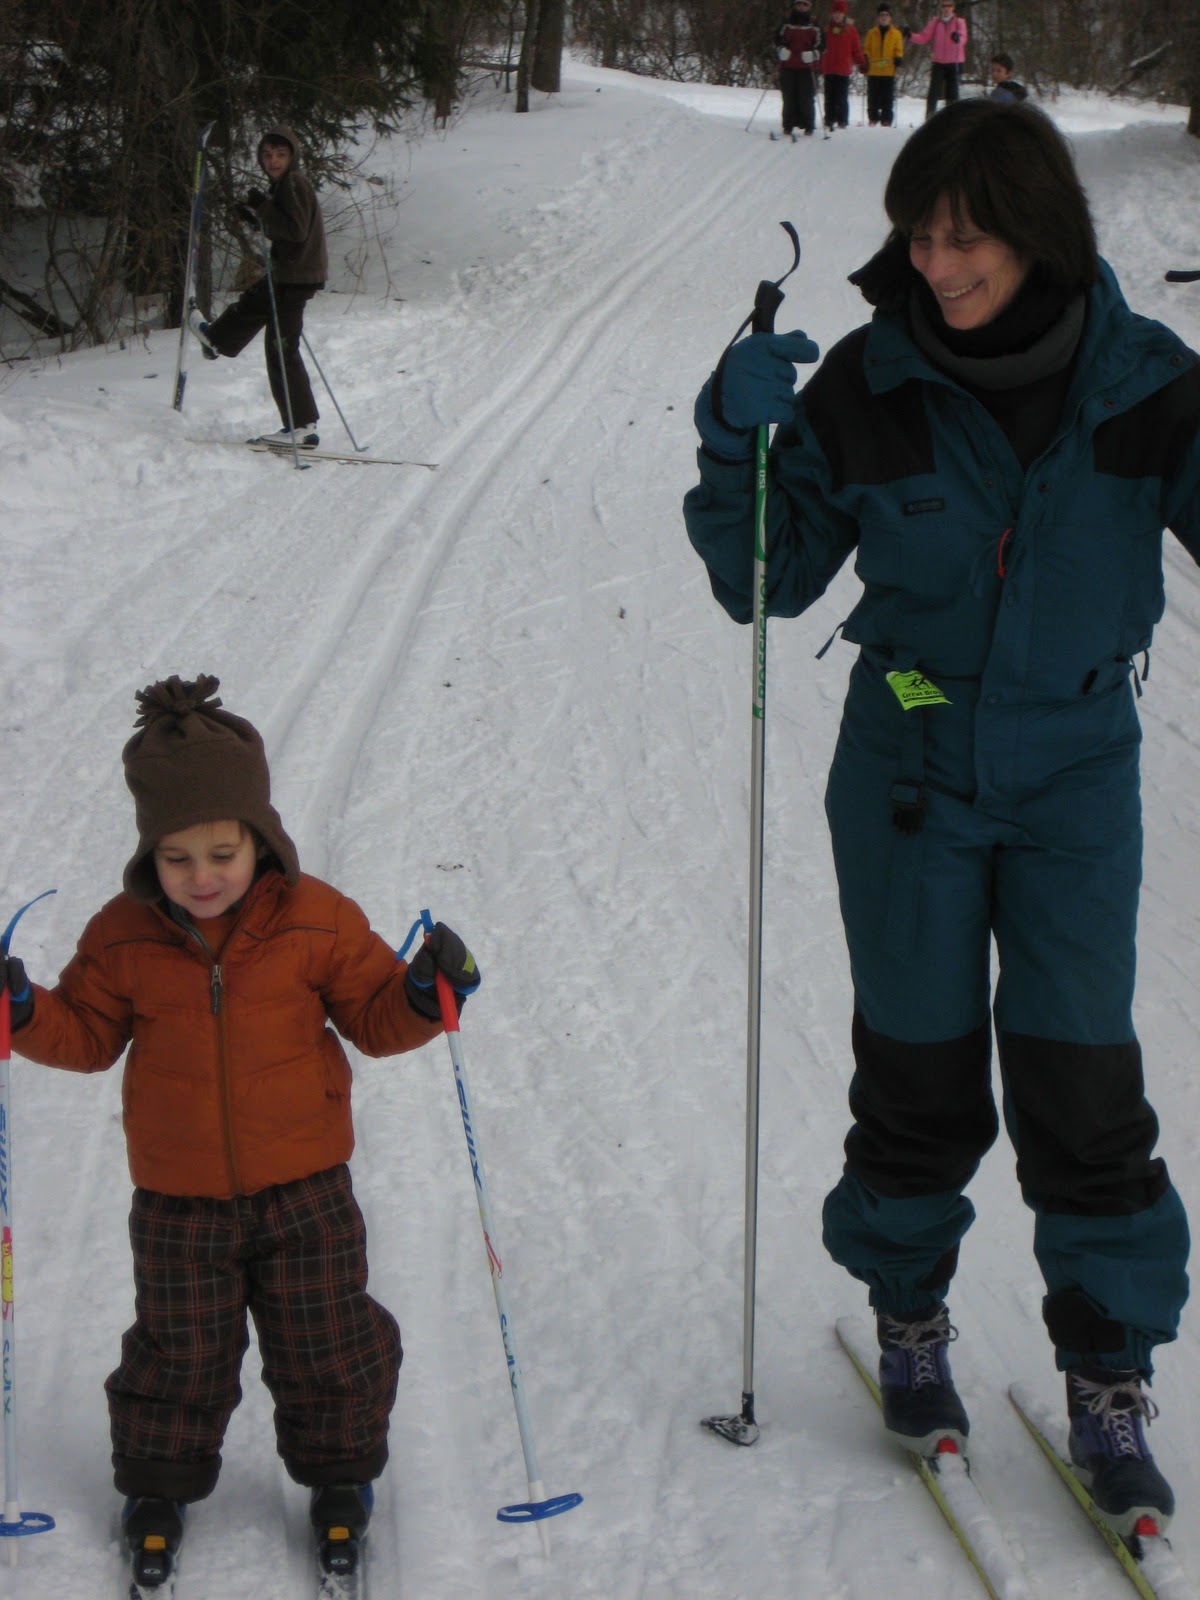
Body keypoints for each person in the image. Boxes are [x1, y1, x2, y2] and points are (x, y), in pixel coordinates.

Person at [683, 98, 1196, 1536]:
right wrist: (741, 446)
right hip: (909, 778)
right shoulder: (869, 381)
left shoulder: (1149, 384)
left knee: (1084, 1085)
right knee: (917, 1068)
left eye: (966, 238)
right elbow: (765, 582)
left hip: (1079, 779)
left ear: (1041, 237)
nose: (937, 261)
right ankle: (910, 1318)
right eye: (919, 233)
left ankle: (1108, 1369)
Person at [0, 674, 481, 1579]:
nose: (203, 877)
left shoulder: (318, 920)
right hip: (178, 1201)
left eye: (223, 852)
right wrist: (23, 1010)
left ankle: (340, 1478)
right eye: (177, 860)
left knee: (327, 1337)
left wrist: (423, 995)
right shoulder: (123, 934)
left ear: (262, 838)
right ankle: (158, 1482)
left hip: (308, 1190)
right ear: (151, 857)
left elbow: (379, 1020)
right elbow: (88, 1035)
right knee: (177, 1351)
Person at [189, 128, 328, 449]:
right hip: (292, 274)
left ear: (291, 155)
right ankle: (217, 339)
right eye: (267, 155)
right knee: (256, 304)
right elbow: (287, 228)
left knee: (282, 349)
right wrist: (256, 217)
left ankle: (302, 426)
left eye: (280, 155)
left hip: (295, 276)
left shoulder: (293, 182)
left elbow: (295, 231)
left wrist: (263, 207)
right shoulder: (286, 184)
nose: (273, 161)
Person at [774, 0, 825, 140]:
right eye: (799, 4)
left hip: (807, 67)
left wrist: (814, 54)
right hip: (788, 65)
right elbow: (777, 39)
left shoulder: (814, 25)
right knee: (788, 97)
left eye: (805, 4)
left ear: (809, 7)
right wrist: (781, 50)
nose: (801, 7)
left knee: (806, 98)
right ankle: (788, 125)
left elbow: (822, 44)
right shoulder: (786, 23)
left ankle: (808, 125)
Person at [909, 0, 967, 118]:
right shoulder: (936, 22)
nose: (946, 9)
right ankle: (930, 116)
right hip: (939, 62)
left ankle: (953, 119)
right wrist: (910, 35)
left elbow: (963, 38)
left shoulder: (959, 22)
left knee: (952, 94)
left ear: (953, 7)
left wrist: (957, 39)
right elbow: (924, 37)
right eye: (943, 6)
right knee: (934, 92)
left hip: (954, 62)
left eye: (949, 6)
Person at [821, 0, 866, 131]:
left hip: (843, 69)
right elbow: (821, 47)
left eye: (840, 12)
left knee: (841, 97)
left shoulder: (851, 30)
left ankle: (842, 120)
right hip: (829, 68)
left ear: (844, 14)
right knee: (829, 97)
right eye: (835, 12)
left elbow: (856, 50)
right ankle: (829, 119)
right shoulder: (826, 29)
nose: (837, 15)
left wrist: (861, 63)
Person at [863, 4, 905, 127]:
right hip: (874, 70)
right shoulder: (871, 33)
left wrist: (898, 57)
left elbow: (898, 49)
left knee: (887, 97)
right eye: (882, 15)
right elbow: (867, 48)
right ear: (878, 17)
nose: (884, 18)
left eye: (886, 15)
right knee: (873, 97)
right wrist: (866, 56)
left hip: (888, 70)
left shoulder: (896, 33)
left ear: (890, 18)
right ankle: (873, 117)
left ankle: (886, 118)